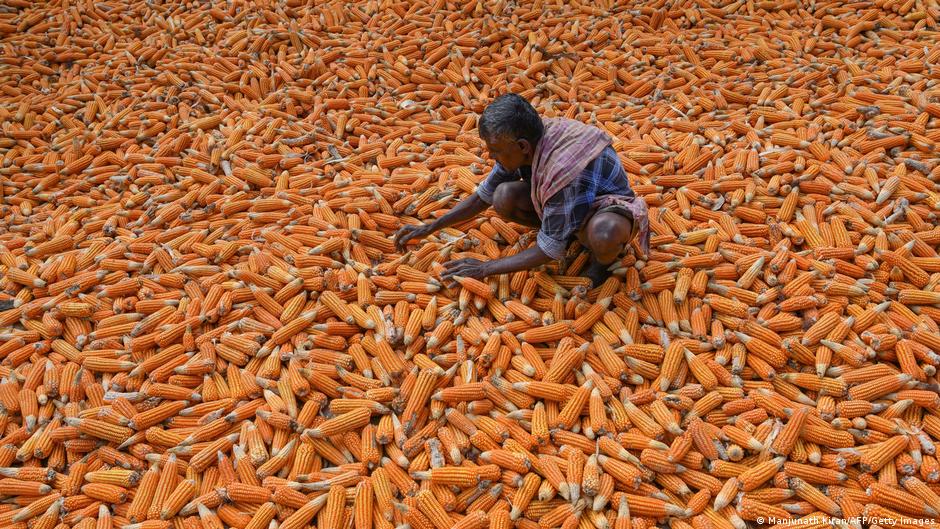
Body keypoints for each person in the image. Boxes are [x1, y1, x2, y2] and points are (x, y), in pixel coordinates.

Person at [395, 93, 649, 287]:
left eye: (494, 149)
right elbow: (481, 198)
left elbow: (548, 251)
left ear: (522, 146)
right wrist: (429, 227)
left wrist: (484, 269)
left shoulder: (562, 171)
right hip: (570, 203)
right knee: (502, 197)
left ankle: (603, 261)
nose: (490, 155)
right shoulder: (526, 142)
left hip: (606, 207)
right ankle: (565, 231)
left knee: (604, 233)